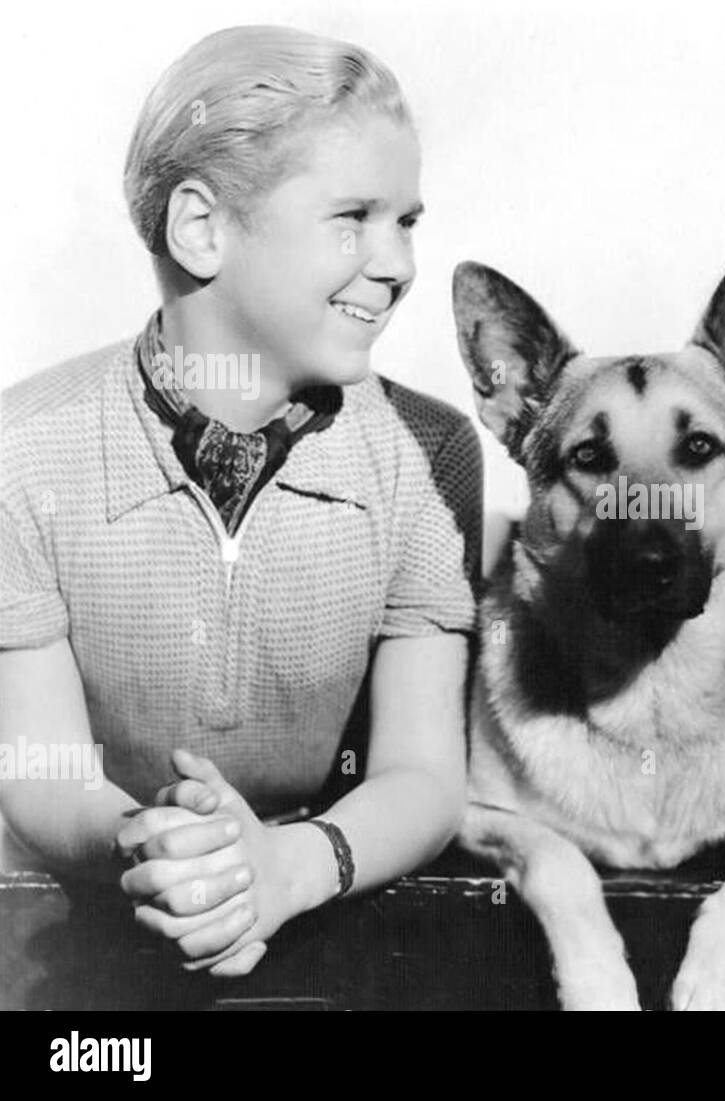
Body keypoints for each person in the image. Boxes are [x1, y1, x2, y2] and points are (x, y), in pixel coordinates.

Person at [0, 25, 480, 975]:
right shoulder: (24, 449)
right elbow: (41, 772)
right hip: (74, 947)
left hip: (337, 922)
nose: (399, 264)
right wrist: (166, 846)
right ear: (201, 229)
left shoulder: (431, 454)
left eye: (408, 221)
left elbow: (423, 775)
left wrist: (290, 866)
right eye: (354, 215)